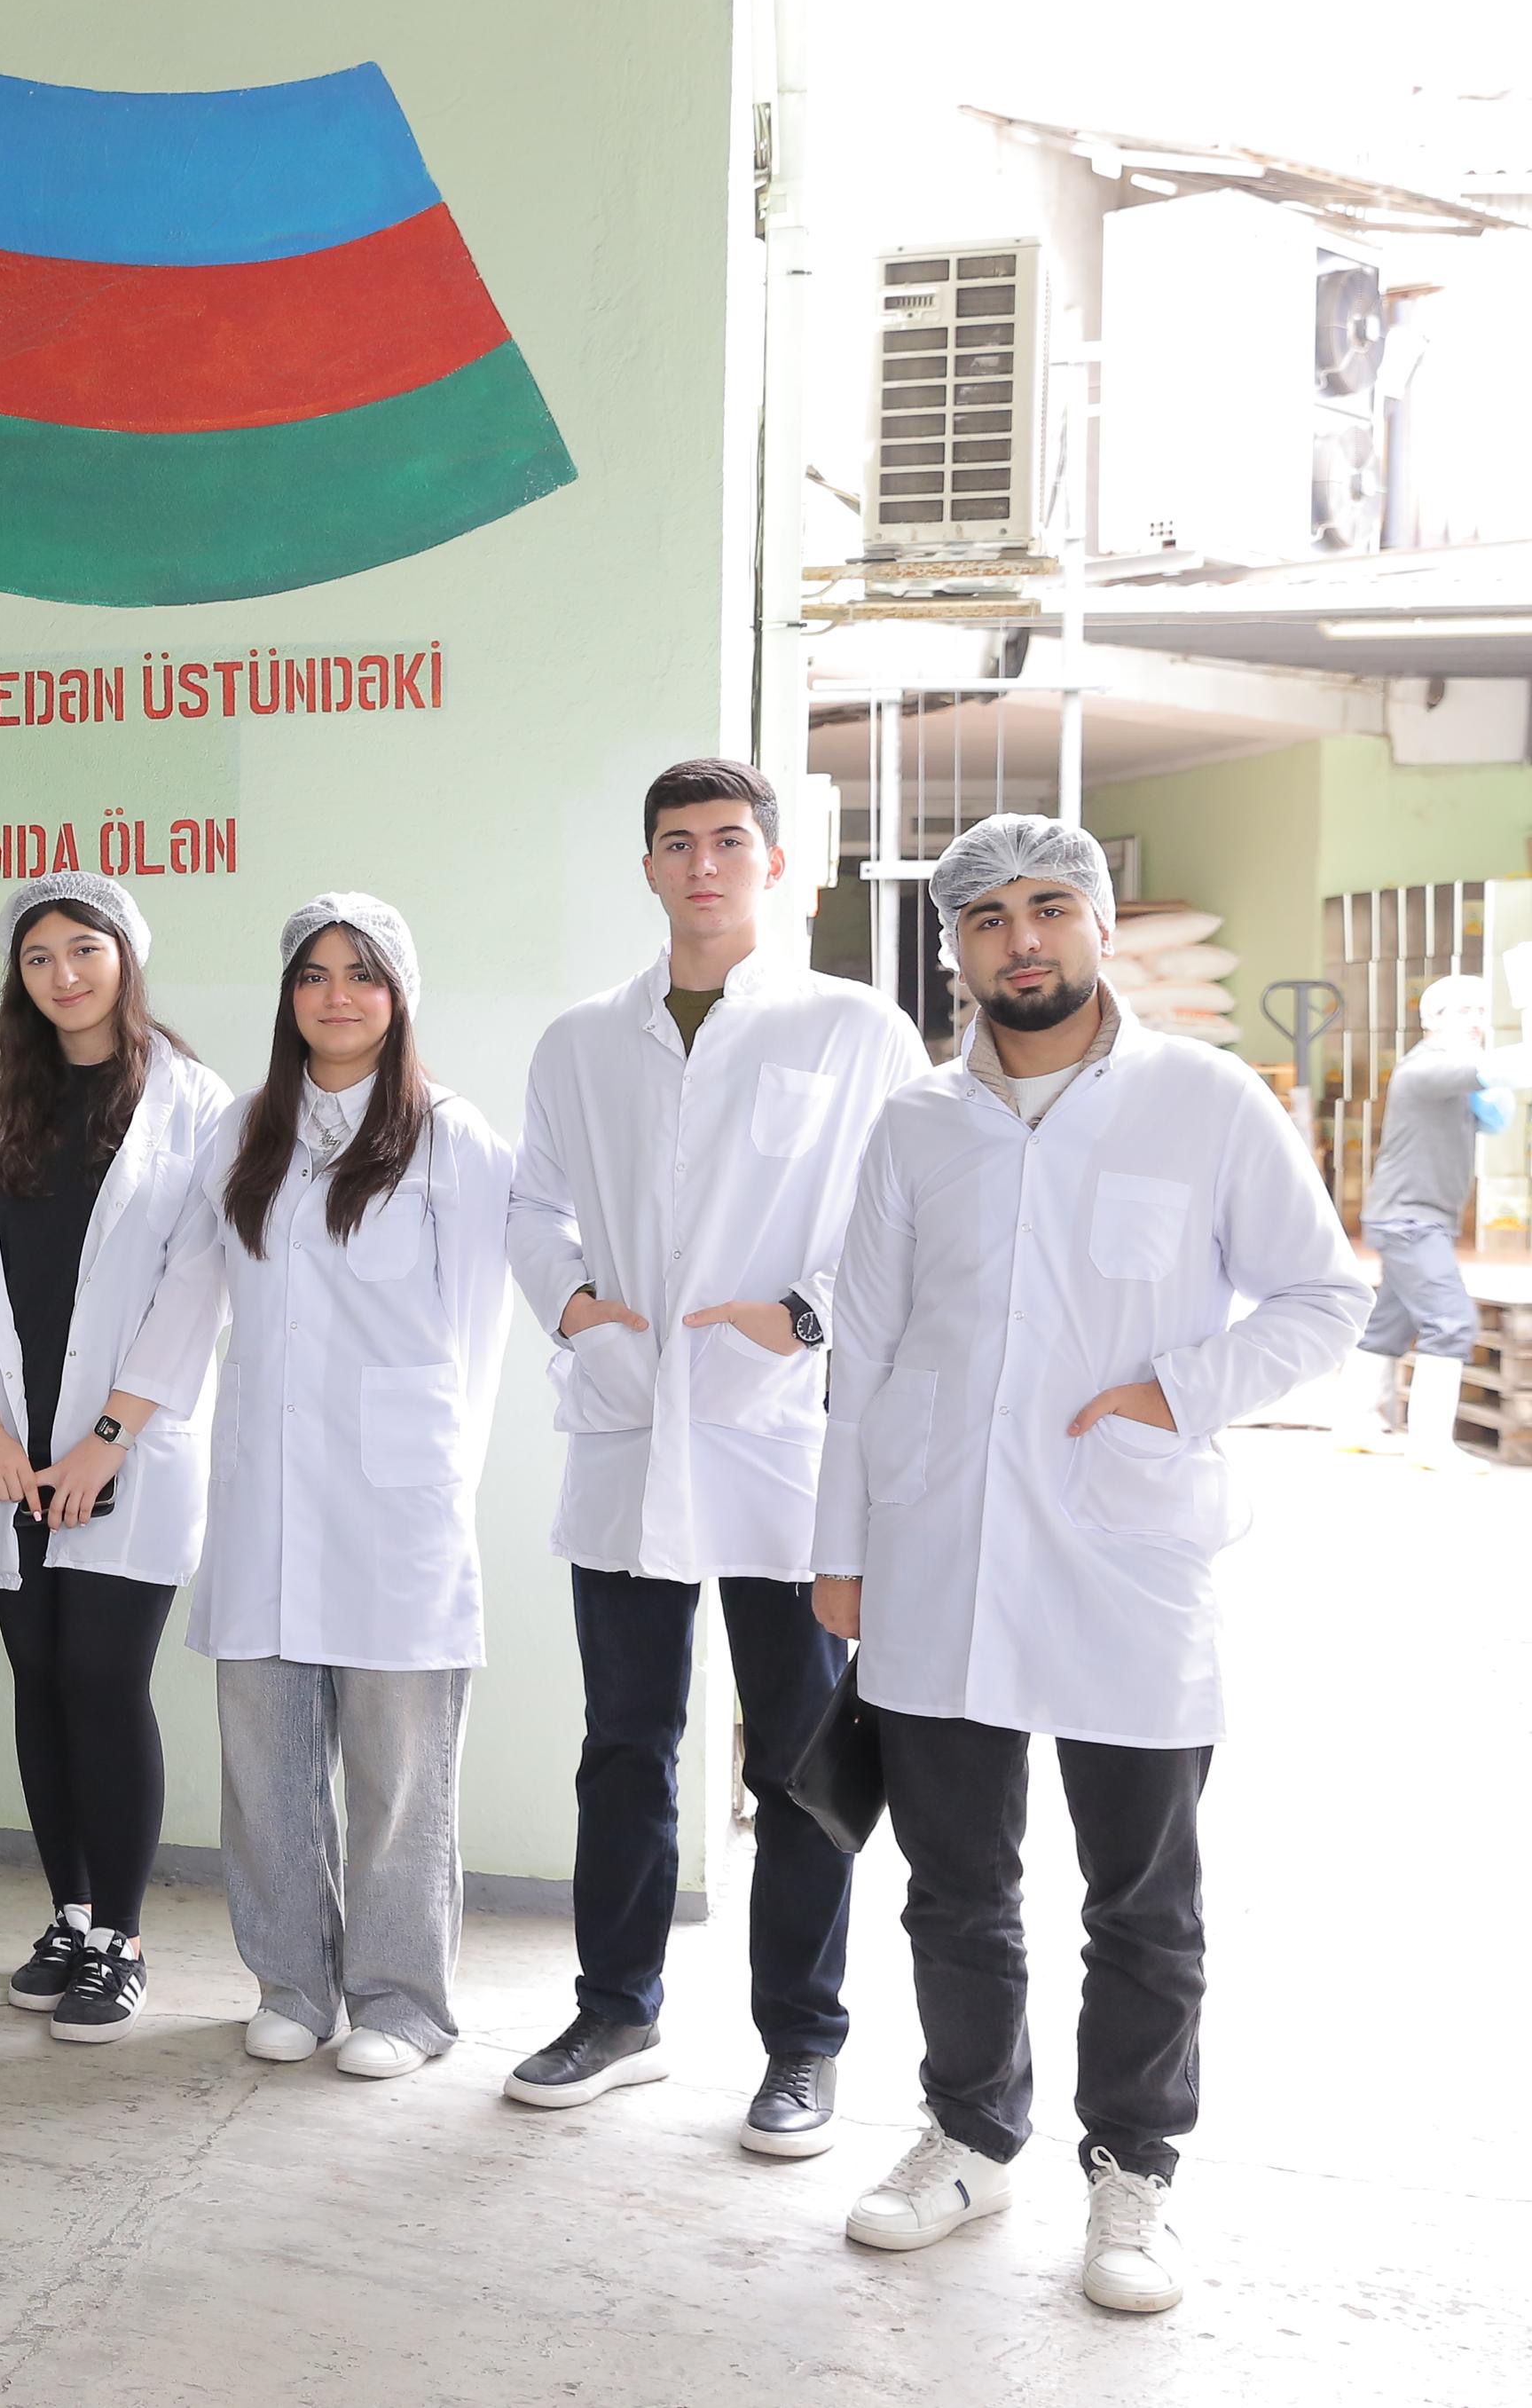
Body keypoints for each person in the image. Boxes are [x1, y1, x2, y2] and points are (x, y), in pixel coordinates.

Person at [813, 815, 1368, 2316]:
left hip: (1128, 1553)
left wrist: (1173, 1394)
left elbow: (1323, 1296)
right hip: (937, 1548)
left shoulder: (1205, 1101)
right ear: (955, 948)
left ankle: (1135, 2168)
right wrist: (837, 1552)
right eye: (988, 917)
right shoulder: (917, 1125)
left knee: (1143, 1894)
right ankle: (972, 2134)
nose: (1023, 939)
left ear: (1102, 924)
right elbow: (862, 1348)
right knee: (953, 1884)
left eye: (1050, 907)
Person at [500, 759, 928, 2152]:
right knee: (625, 1744)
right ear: (647, 867)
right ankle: (614, 2013)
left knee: (799, 1760)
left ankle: (802, 2045)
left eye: (730, 841)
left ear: (775, 863)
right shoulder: (582, 1039)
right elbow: (534, 1206)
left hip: (781, 1439)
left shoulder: (854, 1028)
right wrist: (574, 1305)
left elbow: (905, 1214)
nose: (703, 865)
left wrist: (800, 1316)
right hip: (630, 1426)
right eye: (677, 843)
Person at [188, 895, 515, 2076]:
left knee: (396, 1774)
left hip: (397, 1502)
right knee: (264, 1761)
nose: (336, 995)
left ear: (399, 994)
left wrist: (438, 1478)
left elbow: (478, 1337)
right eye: (313, 974)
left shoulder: (453, 1140)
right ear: (287, 996)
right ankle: (290, 1983)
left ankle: (401, 2002)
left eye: (362, 974)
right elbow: (195, 1297)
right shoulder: (241, 1131)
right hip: (265, 1492)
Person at [0, 873, 229, 2042]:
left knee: (103, 1677)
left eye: (84, 950)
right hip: (8, 1448)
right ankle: (70, 1912)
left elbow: (198, 1284)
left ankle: (123, 1938)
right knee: (41, 1678)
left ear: (125, 959)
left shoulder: (194, 1103)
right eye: (39, 955)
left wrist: (107, 1439)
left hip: (124, 1449)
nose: (63, 974)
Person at [1353, 972, 1532, 1468]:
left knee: (1390, 1323)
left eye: (1481, 1011)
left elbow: (1497, 1105)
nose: (1475, 1021)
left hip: (1411, 1216)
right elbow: (1510, 1067)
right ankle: (1430, 1445)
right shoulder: (1428, 1068)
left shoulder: (1452, 1076)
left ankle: (1355, 1424)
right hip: (1410, 1219)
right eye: (1463, 1011)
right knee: (1451, 1322)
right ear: (1431, 1019)